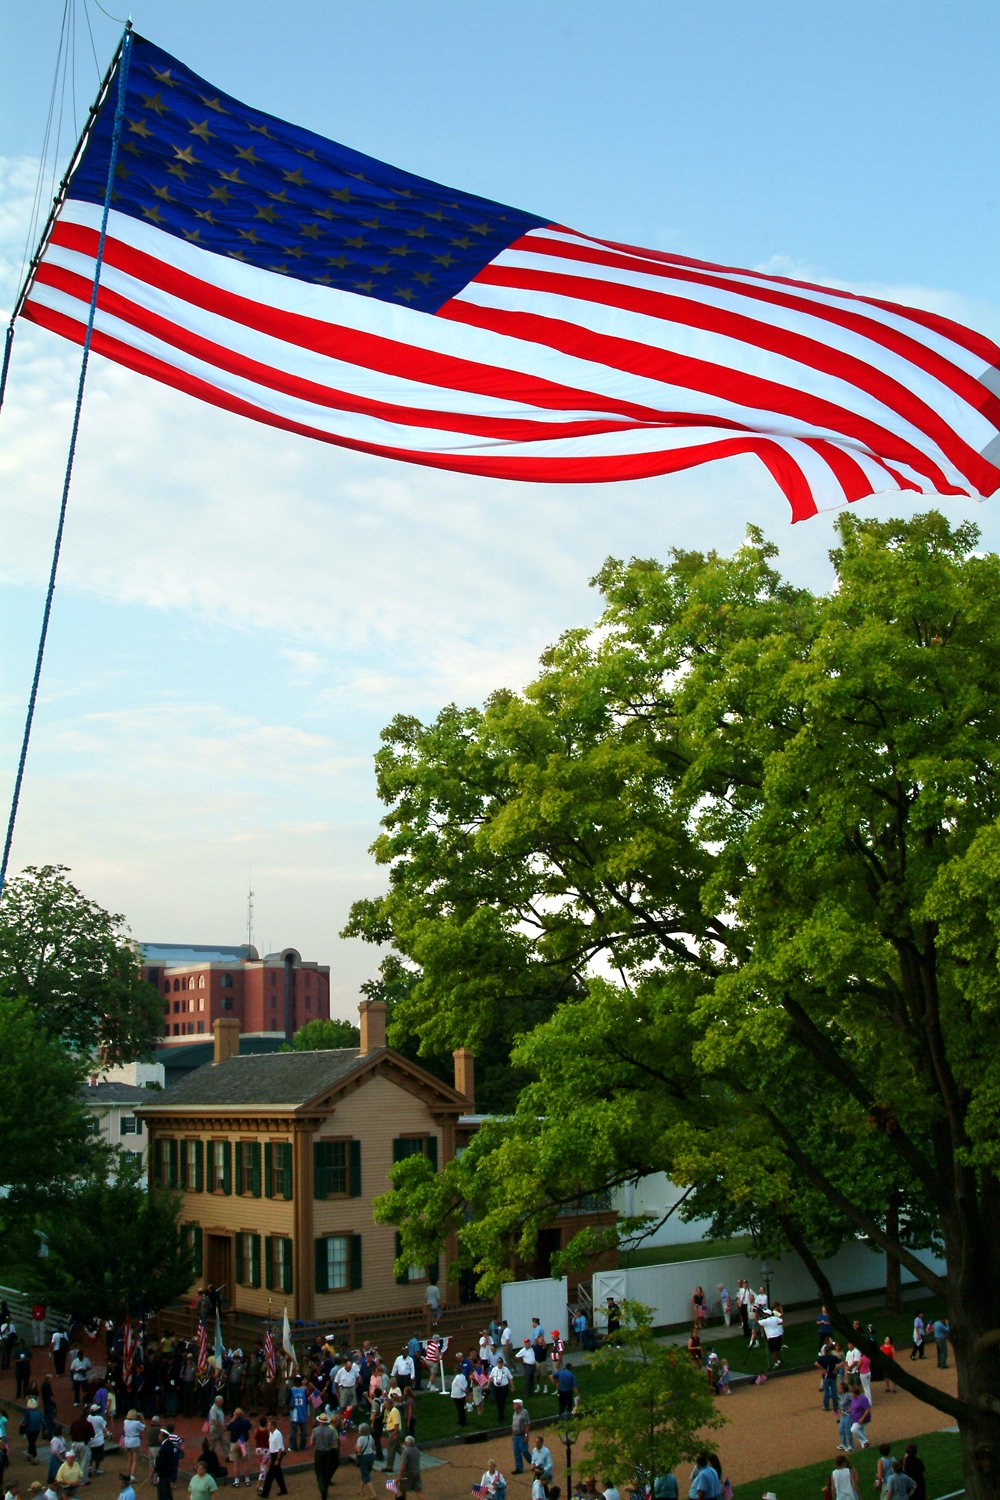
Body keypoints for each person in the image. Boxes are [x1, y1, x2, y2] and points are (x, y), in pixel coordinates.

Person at [310, 1412, 338, 1500]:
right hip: (327, 1452)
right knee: (326, 1471)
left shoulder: (315, 1430)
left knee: (319, 1472)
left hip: (318, 1452)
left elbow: (311, 1443)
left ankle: (322, 1489)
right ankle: (325, 1489)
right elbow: (333, 1443)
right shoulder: (330, 1431)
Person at [259, 1418, 286, 1498]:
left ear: (273, 1426)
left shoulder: (278, 1434)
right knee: (278, 1474)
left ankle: (265, 1493)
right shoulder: (271, 1433)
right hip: (274, 1454)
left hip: (277, 1454)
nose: (267, 1426)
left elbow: (280, 1449)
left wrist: (277, 1459)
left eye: (269, 1425)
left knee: (270, 1475)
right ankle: (283, 1489)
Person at [227, 1408, 251, 1487]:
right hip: (243, 1443)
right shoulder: (245, 1422)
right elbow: (249, 1425)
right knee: (245, 1462)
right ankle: (247, 1480)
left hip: (234, 1444)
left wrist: (233, 1418)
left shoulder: (233, 1423)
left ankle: (236, 1481)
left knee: (236, 1463)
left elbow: (226, 1427)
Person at [817, 1341, 840, 1411]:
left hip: (826, 1376)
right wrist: (836, 1368)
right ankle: (836, 1406)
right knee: (834, 1391)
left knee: (826, 1392)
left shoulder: (822, 1358)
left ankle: (826, 1406)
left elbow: (816, 1363)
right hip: (833, 1376)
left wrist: (823, 1368)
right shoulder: (833, 1357)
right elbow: (842, 1362)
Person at [354, 1425, 376, 1500]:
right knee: (365, 1474)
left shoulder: (360, 1439)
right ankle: (360, 1490)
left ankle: (373, 1493)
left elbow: (359, 1450)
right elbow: (374, 1448)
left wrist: (356, 1447)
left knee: (366, 1476)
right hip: (371, 1457)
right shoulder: (370, 1437)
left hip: (364, 1458)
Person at [123, 1411, 146, 1478]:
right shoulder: (137, 1423)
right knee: (134, 1460)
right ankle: (132, 1476)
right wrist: (142, 1418)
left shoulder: (125, 1422)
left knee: (129, 1459)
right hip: (135, 1441)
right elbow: (144, 1427)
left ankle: (128, 1474)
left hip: (127, 1441)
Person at [511, 1400, 531, 1475]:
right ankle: (519, 1468)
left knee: (524, 1451)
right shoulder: (514, 1413)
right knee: (516, 1452)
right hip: (516, 1436)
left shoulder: (524, 1412)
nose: (514, 1405)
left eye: (515, 1404)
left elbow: (527, 1424)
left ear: (519, 1405)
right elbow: (513, 1424)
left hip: (522, 1435)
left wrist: (526, 1435)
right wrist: (513, 1433)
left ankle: (535, 1464)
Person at [848, 1386, 871, 1451]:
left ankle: (865, 1442)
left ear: (855, 1394)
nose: (851, 1394)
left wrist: (862, 1418)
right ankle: (865, 1447)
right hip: (855, 1418)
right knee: (861, 1431)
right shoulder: (854, 1398)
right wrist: (849, 1410)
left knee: (853, 1430)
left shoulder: (863, 1399)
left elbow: (867, 1409)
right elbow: (852, 1406)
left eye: (852, 1393)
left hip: (862, 1419)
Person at [491, 1357, 513, 1424]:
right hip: (497, 1388)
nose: (500, 1365)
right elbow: (490, 1377)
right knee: (498, 1402)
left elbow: (510, 1378)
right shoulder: (494, 1369)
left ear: (503, 1363)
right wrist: (487, 1385)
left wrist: (512, 1386)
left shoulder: (506, 1370)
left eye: (501, 1363)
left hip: (504, 1388)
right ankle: (500, 1412)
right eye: (499, 1363)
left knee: (502, 1401)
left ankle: (500, 1417)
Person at [88, 1406, 107, 1476]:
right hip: (99, 1440)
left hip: (90, 1440)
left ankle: (89, 1468)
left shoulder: (88, 1418)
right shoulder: (99, 1419)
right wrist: (108, 1433)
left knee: (91, 1455)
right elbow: (104, 1427)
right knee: (98, 1456)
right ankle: (96, 1470)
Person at [450, 1363, 468, 1428]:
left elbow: (460, 1386)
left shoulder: (457, 1378)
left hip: (458, 1395)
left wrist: (464, 1389)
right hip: (462, 1395)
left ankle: (462, 1422)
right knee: (461, 1409)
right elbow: (465, 1384)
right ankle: (462, 1421)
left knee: (460, 1409)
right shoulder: (463, 1376)